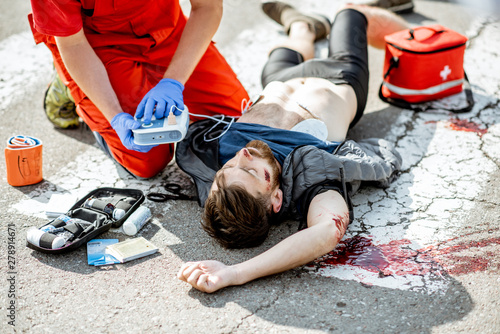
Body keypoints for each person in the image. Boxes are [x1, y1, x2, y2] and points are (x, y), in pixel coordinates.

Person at [176, 1, 411, 293]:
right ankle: (425, 38)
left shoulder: (218, 173)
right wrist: (235, 273)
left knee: (298, 37)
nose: (242, 155)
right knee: (352, 12)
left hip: (278, 79)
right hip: (338, 75)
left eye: (228, 167)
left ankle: (301, 24)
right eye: (250, 171)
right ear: (276, 199)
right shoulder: (310, 178)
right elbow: (325, 232)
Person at [28, 0, 249, 178]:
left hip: (165, 29)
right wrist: (114, 115)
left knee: (239, 123)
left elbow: (208, 7)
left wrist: (173, 81)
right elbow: (73, 44)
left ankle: (146, 82)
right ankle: (68, 83)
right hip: (98, 46)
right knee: (146, 159)